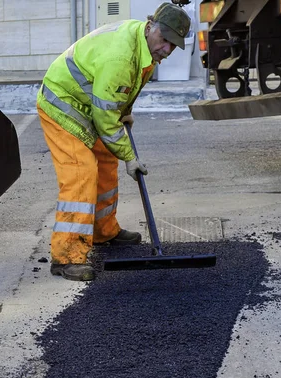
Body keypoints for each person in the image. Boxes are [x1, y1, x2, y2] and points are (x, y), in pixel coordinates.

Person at [37, 3, 191, 281]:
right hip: (63, 105)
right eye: (165, 40)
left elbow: (122, 91)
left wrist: (125, 112)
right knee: (81, 174)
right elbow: (106, 116)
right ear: (151, 27)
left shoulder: (142, 43)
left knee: (106, 162)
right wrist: (130, 156)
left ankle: (103, 232)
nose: (167, 50)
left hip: (91, 106)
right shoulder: (120, 56)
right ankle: (66, 257)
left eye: (173, 45)